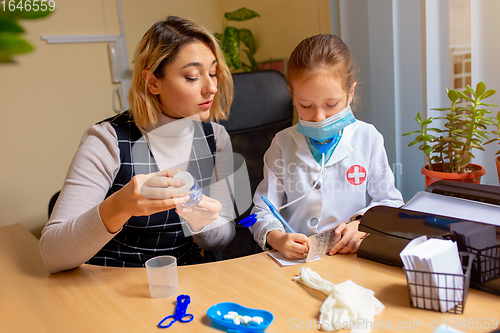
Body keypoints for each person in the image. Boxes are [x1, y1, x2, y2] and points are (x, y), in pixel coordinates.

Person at [39, 16, 236, 273]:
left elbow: (223, 238)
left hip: (181, 282)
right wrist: (118, 207)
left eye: (213, 73)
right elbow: (51, 255)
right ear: (153, 82)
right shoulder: (107, 140)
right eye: (191, 77)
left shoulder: (216, 138)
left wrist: (203, 223)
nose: (211, 88)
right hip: (108, 283)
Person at [248, 34, 404, 260]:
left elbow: (390, 202)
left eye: (331, 105)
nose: (319, 117)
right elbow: (261, 211)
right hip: (297, 263)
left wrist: (360, 225)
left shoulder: (368, 138)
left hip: (352, 259)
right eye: (306, 105)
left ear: (350, 92)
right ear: (292, 95)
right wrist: (277, 238)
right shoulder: (282, 144)